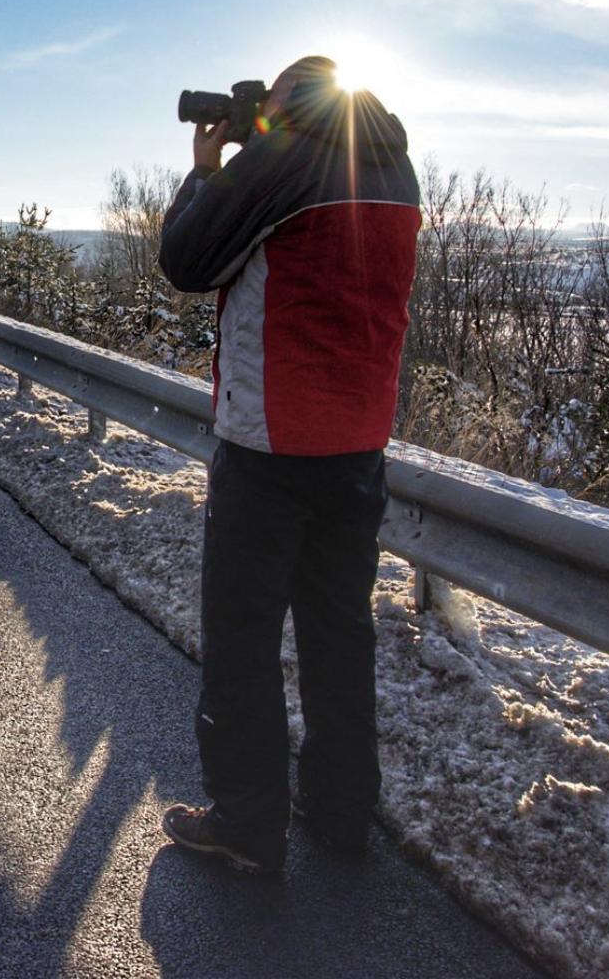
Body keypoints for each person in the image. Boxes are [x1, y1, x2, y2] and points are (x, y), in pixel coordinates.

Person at [156, 54, 421, 875]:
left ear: (284, 102)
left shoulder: (285, 158)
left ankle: (246, 822)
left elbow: (188, 262)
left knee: (242, 636)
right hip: (358, 443)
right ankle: (341, 812)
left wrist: (209, 172)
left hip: (271, 440)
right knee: (340, 632)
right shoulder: (394, 165)